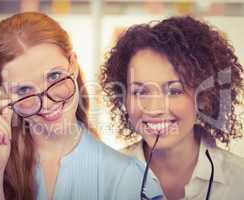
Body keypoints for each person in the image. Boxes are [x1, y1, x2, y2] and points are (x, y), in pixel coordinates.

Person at [0, 12, 163, 200]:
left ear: (72, 64)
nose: (46, 103)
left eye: (54, 76)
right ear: (5, 93)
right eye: (23, 90)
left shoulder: (126, 176)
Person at [101, 15, 244, 200]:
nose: (154, 108)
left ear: (204, 98)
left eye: (174, 91)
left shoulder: (239, 182)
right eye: (140, 92)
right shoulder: (102, 181)